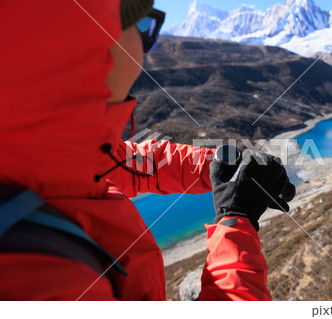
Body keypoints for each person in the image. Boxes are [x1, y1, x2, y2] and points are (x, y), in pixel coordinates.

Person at [0, 0, 294, 300]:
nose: (144, 50)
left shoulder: (40, 156)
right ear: (81, 50)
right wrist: (235, 221)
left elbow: (127, 162)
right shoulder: (45, 278)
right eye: (141, 26)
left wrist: (216, 167)